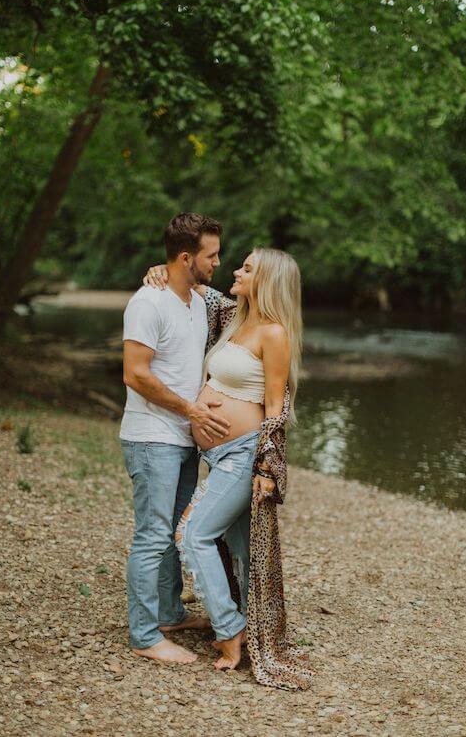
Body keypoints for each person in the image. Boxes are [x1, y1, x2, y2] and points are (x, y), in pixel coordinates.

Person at [144, 247, 314, 689]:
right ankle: (250, 623)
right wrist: (164, 270)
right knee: (241, 549)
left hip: (243, 456)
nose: (235, 271)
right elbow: (196, 285)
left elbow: (276, 405)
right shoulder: (233, 316)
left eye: (247, 268)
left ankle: (230, 630)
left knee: (193, 533)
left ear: (267, 281)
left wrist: (268, 466)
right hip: (216, 455)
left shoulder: (274, 333)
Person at [120, 212, 232, 664]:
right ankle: (145, 635)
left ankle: (168, 613)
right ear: (187, 257)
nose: (218, 262)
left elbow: (246, 305)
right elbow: (134, 374)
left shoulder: (197, 301)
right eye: (212, 255)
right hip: (152, 437)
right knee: (152, 535)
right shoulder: (148, 302)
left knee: (171, 533)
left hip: (183, 439)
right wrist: (189, 409)